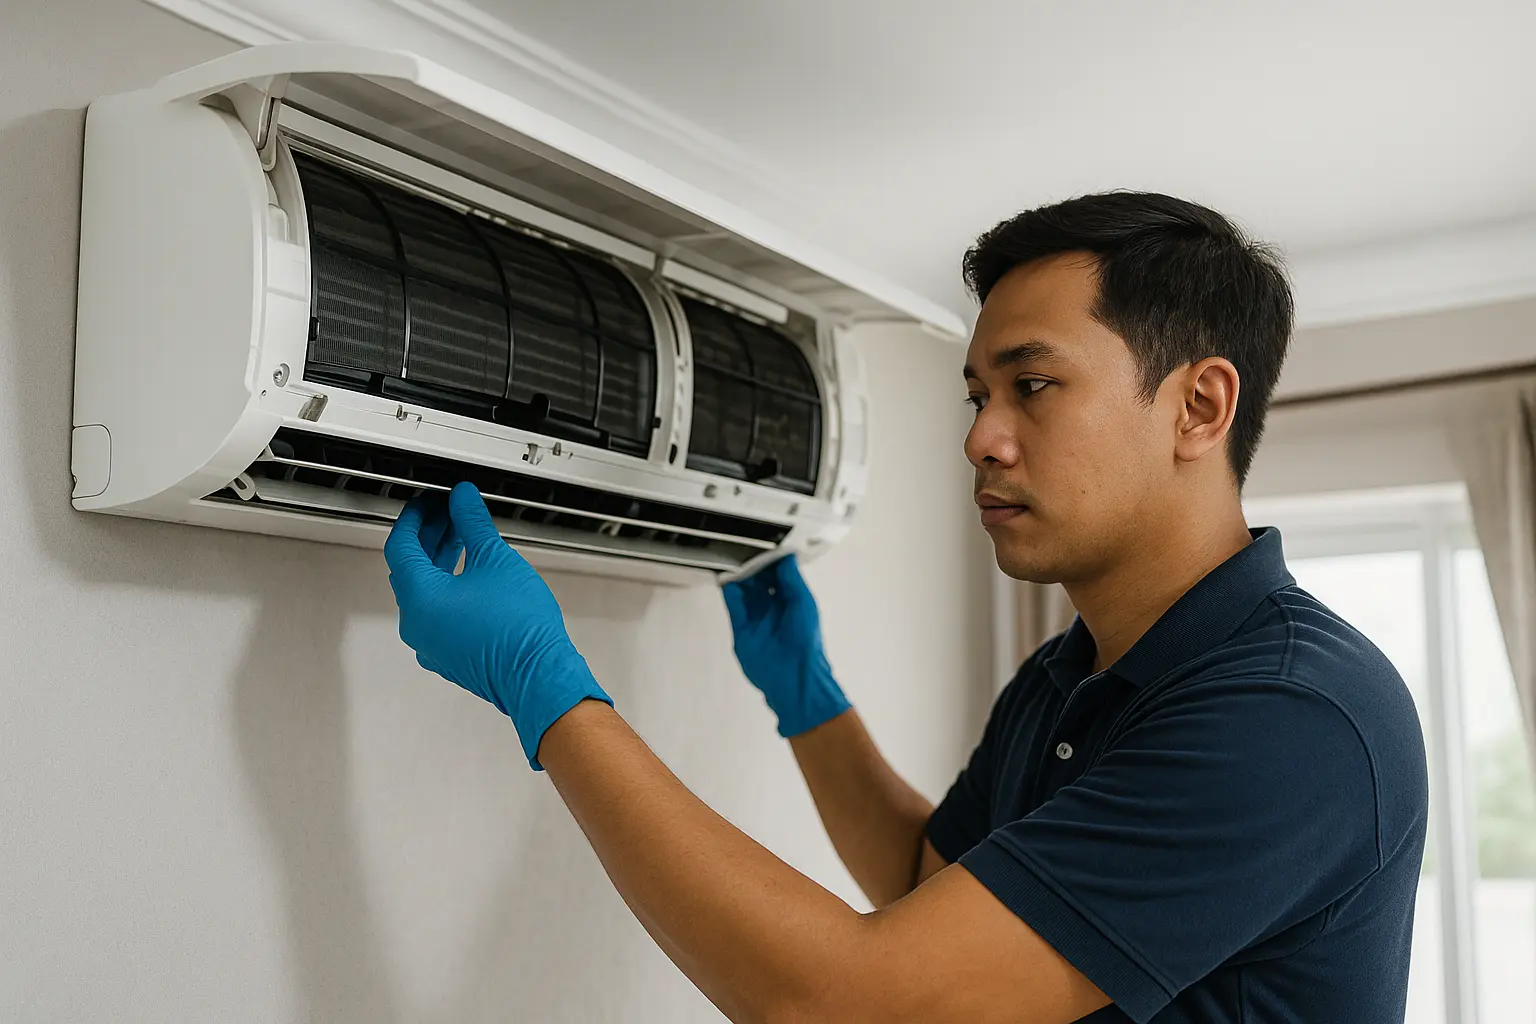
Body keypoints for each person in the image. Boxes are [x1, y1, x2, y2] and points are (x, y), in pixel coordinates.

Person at [383, 192, 1429, 1023]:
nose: (982, 436)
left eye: (1034, 385)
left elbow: (851, 1005)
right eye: (979, 395)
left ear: (1199, 406)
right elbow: (925, 880)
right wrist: (808, 696)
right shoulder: (1072, 674)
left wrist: (546, 688)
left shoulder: (1292, 717)